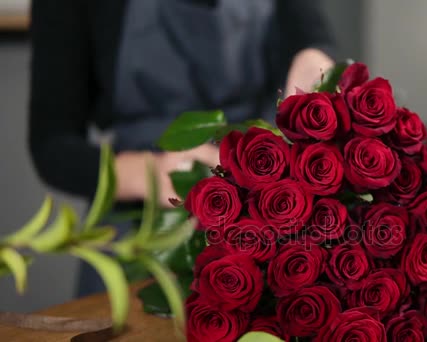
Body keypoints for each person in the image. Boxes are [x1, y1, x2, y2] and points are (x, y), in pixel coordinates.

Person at [28, 0, 336, 296]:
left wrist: (314, 64)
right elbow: (51, 144)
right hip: (144, 227)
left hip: (265, 210)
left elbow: (310, 42)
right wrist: (155, 173)